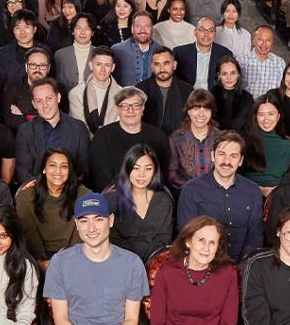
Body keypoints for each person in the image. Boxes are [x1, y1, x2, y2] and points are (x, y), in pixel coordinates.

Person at [46, 193, 149, 325]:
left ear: (110, 220)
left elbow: (131, 319)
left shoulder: (132, 263)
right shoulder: (60, 262)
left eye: (98, 219)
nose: (91, 228)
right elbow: (61, 320)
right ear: (77, 224)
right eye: (84, 221)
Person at [178, 131, 263, 260]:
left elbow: (255, 238)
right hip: (204, 264)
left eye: (233, 156)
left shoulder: (253, 190)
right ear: (213, 156)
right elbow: (187, 236)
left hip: (243, 265)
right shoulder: (191, 190)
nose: (226, 161)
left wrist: (242, 267)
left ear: (241, 161)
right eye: (221, 154)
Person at [16, 148, 92, 269]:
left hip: (74, 257)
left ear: (69, 170)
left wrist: (67, 261)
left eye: (64, 166)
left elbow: (83, 233)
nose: (58, 171)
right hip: (36, 259)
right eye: (52, 165)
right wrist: (41, 262)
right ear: (44, 169)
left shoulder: (84, 196)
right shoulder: (26, 197)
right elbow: (28, 233)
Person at [88, 87, 172, 191]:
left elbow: (161, 175)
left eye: (136, 105)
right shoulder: (102, 137)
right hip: (113, 197)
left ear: (143, 108)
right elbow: (100, 178)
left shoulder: (158, 137)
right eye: (124, 106)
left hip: (149, 196)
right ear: (117, 110)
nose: (130, 110)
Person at [14, 78, 90, 185]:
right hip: (37, 191)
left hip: (71, 190)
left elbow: (84, 169)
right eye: (39, 101)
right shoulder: (25, 131)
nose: (45, 105)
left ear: (58, 98)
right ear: (34, 104)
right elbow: (23, 170)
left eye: (49, 98)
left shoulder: (78, 128)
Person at [105, 145, 175, 261]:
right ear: (127, 169)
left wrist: (147, 261)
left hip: (153, 262)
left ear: (155, 170)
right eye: (136, 168)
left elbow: (164, 238)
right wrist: (134, 260)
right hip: (119, 261)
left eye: (148, 169)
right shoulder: (111, 199)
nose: (142, 174)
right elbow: (110, 237)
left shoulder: (163, 200)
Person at [172, 17, 233, 91]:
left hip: (214, 97)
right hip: (187, 97)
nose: (206, 34)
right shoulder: (180, 53)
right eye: (202, 30)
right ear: (195, 32)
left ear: (215, 34)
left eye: (211, 30)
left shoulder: (225, 54)